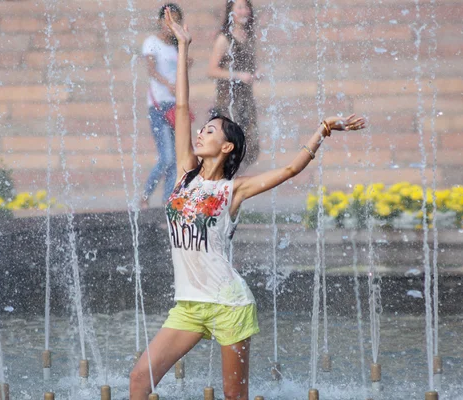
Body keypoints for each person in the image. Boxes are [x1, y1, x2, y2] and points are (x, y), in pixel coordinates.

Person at [129, 7, 366, 400]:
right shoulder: (185, 173)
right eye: (201, 130)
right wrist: (185, 45)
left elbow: (290, 169)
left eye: (210, 131)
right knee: (140, 380)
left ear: (225, 147)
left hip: (229, 305)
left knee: (234, 397)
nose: (201, 133)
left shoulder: (232, 191)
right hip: (188, 306)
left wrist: (323, 129)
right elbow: (184, 108)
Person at [207, 0, 260, 172]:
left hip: (246, 102)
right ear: (231, 12)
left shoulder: (248, 36)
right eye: (240, 8)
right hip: (228, 104)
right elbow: (212, 71)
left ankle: (230, 184)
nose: (244, 11)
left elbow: (248, 68)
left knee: (251, 149)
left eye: (247, 8)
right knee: (231, 149)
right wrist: (237, 75)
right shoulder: (224, 38)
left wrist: (256, 73)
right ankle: (225, 188)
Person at [141, 3, 184, 208]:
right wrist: (169, 85)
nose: (171, 24)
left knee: (175, 159)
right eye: (168, 20)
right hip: (159, 104)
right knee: (166, 156)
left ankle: (168, 202)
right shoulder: (152, 42)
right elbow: (151, 70)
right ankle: (145, 195)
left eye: (175, 20)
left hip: (176, 105)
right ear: (160, 21)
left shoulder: (177, 44)